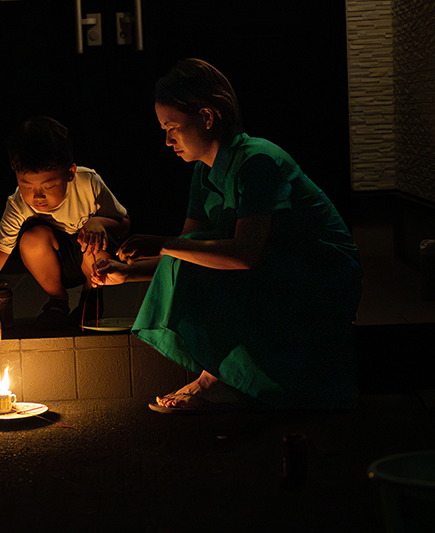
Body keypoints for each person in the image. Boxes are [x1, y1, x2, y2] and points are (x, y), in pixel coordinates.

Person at [94, 59, 363, 412]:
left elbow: (245, 254)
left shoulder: (256, 162)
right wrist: (127, 272)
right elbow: (186, 256)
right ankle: (218, 377)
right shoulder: (204, 173)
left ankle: (218, 380)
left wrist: (161, 243)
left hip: (320, 278)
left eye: (172, 127)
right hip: (274, 270)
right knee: (191, 251)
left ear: (207, 117)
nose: (167, 139)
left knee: (194, 250)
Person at [0, 116, 130, 356]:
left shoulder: (88, 182)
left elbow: (124, 224)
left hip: (95, 258)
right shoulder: (18, 205)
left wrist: (97, 221)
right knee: (31, 239)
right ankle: (57, 300)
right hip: (57, 262)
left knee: (94, 241)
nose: (38, 197)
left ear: (69, 173)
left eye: (48, 187)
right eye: (27, 186)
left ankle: (91, 296)